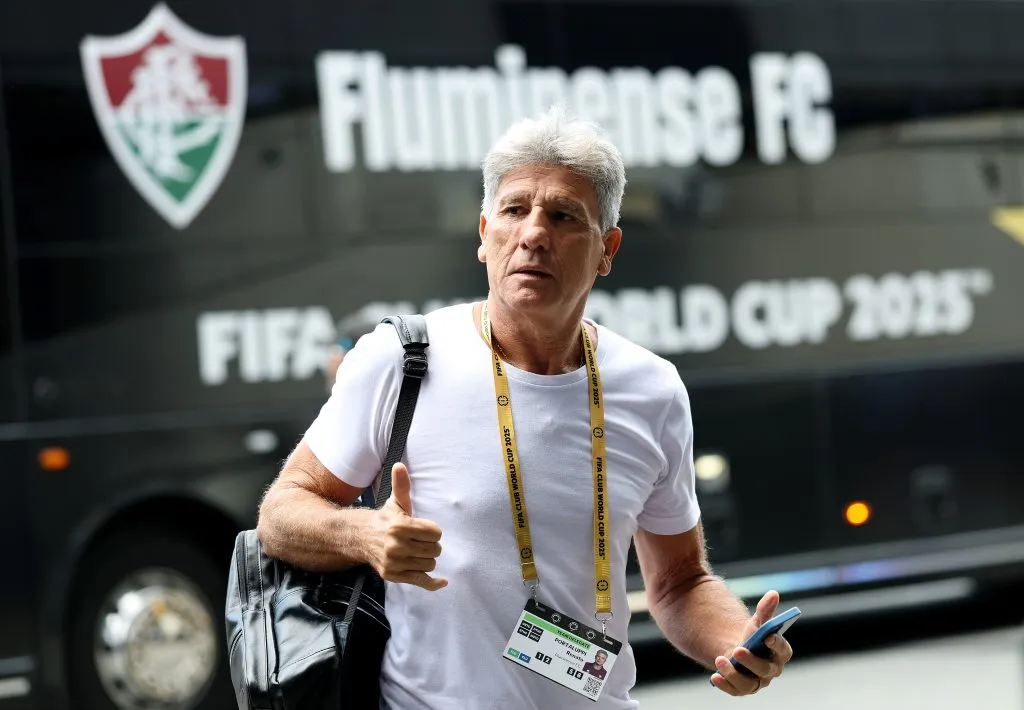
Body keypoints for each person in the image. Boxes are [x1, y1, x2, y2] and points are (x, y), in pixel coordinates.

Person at [255, 105, 794, 709]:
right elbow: (281, 514)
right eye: (515, 210)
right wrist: (363, 533)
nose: (534, 233)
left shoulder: (653, 390)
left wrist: (737, 641)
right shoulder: (403, 359)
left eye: (564, 216)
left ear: (607, 249)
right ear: (485, 234)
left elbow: (679, 581)